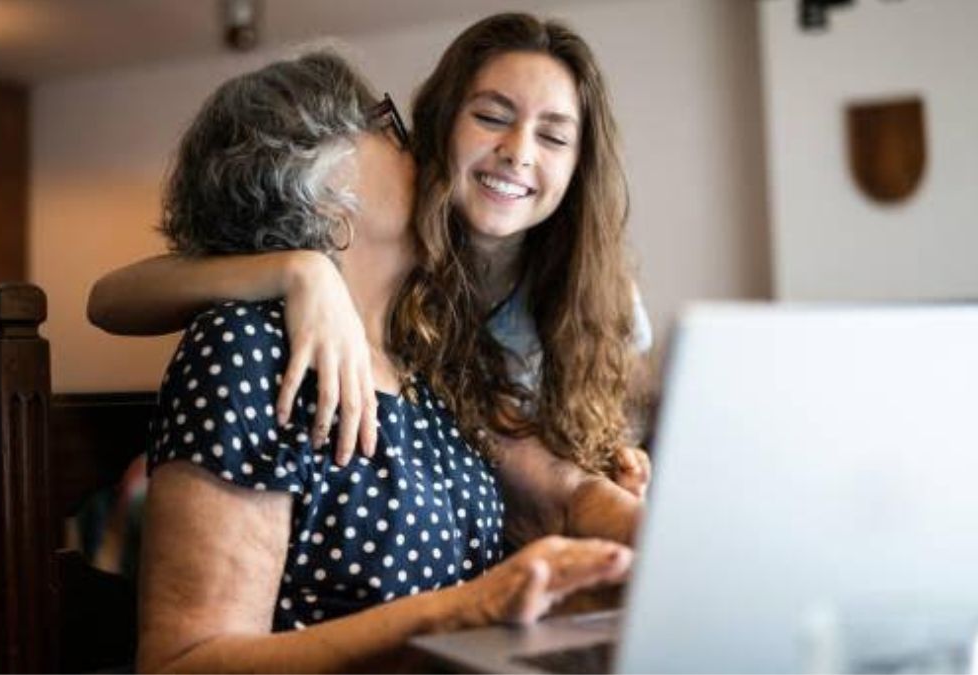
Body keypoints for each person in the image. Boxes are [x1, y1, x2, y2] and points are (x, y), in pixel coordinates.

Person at [138, 51, 637, 673]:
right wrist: (460, 611)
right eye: (389, 130)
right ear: (323, 195)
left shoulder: (422, 362)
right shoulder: (246, 349)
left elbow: (542, 506)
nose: (418, 149)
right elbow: (179, 661)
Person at [88, 13, 653, 500]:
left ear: (581, 167)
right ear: (440, 128)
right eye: (491, 117)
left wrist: (603, 474)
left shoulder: (592, 292)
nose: (518, 152)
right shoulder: (395, 256)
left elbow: (582, 436)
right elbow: (109, 298)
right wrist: (298, 269)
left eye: (554, 137)